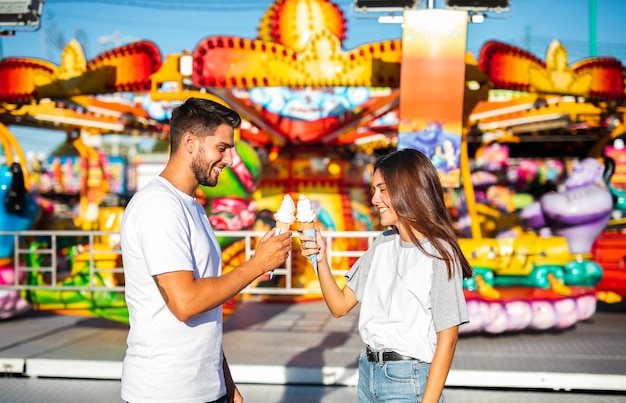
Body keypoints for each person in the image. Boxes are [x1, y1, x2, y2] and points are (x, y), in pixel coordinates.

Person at [120, 97, 293, 403]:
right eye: (222, 148)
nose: (229, 160)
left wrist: (225, 381)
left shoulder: (194, 208)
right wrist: (256, 265)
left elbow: (206, 312)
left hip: (204, 388)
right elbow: (185, 302)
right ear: (190, 142)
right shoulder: (159, 206)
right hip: (166, 392)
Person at [300, 148, 473, 403]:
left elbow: (447, 341)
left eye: (382, 190)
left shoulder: (439, 254)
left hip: (408, 379)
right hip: (368, 372)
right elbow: (339, 306)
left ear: (408, 190)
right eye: (374, 190)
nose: (374, 199)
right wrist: (321, 260)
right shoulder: (381, 244)